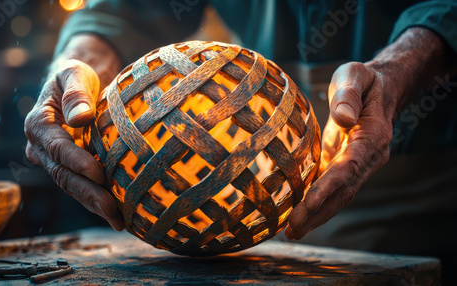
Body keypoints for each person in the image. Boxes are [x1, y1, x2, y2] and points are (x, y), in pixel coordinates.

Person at [24, 0, 457, 280]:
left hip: (431, 201)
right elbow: (126, 11)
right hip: (265, 217)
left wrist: (396, 74)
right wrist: (76, 67)